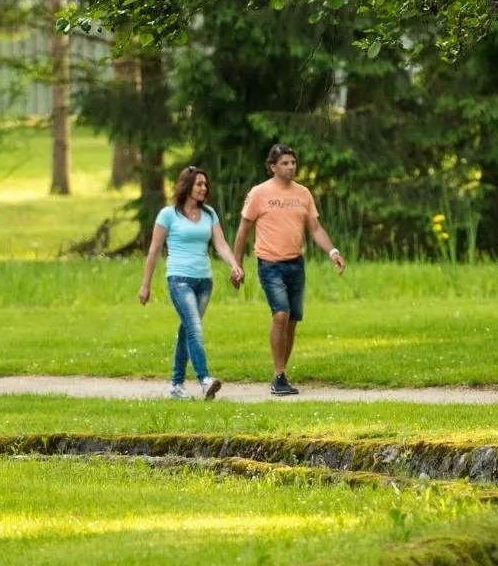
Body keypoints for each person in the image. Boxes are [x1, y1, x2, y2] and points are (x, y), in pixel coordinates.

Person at [232, 144, 346, 396]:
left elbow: (315, 229)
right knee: (280, 315)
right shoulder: (259, 193)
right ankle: (278, 374)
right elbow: (243, 230)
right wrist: (236, 264)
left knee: (292, 320)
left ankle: (282, 373)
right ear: (273, 166)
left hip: (296, 263)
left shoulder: (303, 193)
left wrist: (333, 252)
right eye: (284, 163)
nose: (291, 167)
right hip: (270, 264)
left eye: (293, 162)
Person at [139, 166, 243, 401]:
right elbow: (154, 250)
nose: (204, 188)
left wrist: (234, 264)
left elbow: (221, 244)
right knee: (194, 328)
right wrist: (145, 285)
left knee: (187, 330)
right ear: (187, 186)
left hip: (204, 281)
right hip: (179, 279)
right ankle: (204, 379)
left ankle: (176, 385)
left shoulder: (209, 214)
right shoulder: (168, 215)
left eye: (205, 184)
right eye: (199, 184)